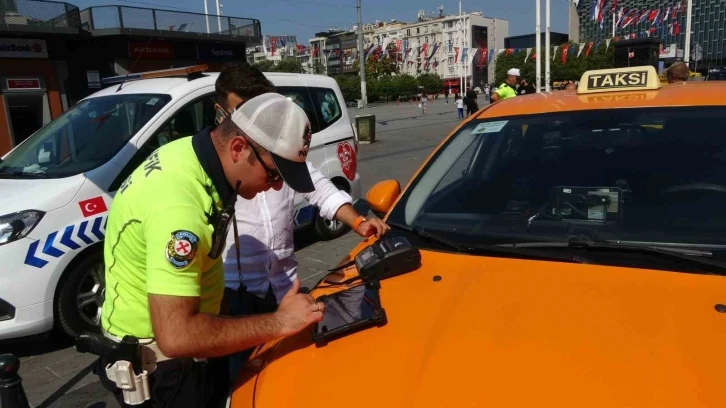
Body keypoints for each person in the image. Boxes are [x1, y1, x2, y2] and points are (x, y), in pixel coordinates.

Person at [98, 92, 324, 407]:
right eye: (273, 174)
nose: (275, 187)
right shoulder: (179, 208)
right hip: (166, 372)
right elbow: (178, 336)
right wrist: (280, 322)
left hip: (186, 354)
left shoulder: (194, 157)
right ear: (238, 148)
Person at [214, 63, 390, 378]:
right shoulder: (218, 166)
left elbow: (320, 189)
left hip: (285, 286)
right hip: (235, 295)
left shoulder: (280, 152)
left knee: (290, 369)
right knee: (242, 376)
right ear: (221, 114)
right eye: (244, 111)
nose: (256, 122)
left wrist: (358, 222)